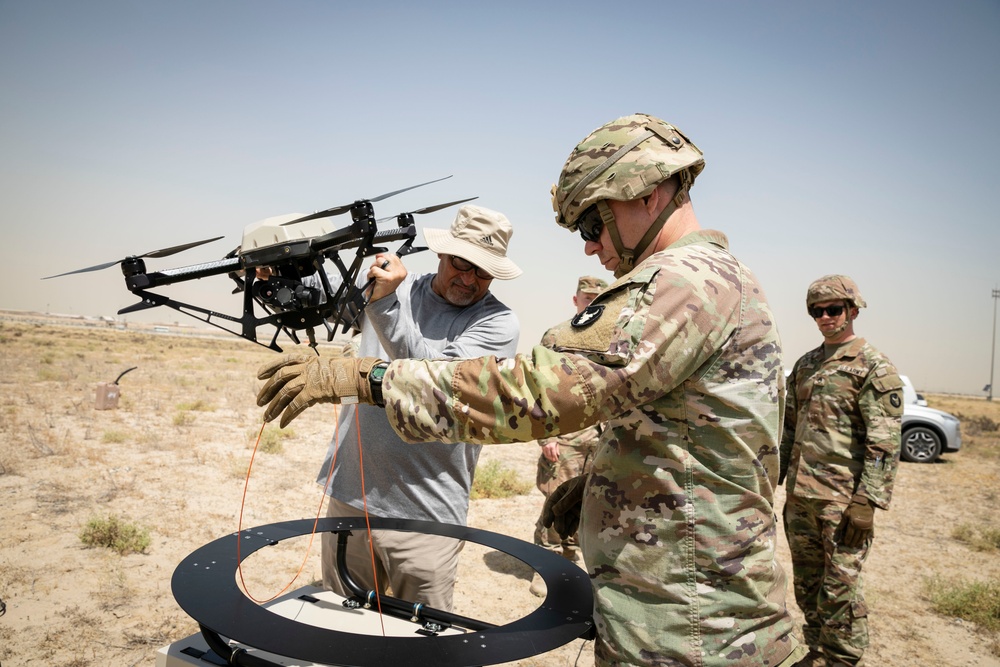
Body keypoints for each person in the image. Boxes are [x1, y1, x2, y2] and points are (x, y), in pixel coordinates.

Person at [257, 113, 806, 667]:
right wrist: (605, 486)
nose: (591, 248)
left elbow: (540, 391)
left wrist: (364, 380)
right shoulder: (706, 279)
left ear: (649, 191)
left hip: (693, 624)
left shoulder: (684, 282)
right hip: (684, 606)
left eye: (593, 223)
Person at [313, 204, 522, 612]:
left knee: (421, 644)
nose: (469, 278)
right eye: (463, 262)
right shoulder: (395, 287)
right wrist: (282, 277)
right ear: (442, 254)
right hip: (350, 496)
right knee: (339, 633)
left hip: (425, 518)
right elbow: (329, 299)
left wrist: (386, 302)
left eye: (483, 270)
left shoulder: (498, 324)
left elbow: (429, 379)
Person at [779, 275, 903, 667]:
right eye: (817, 311)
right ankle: (817, 652)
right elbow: (787, 429)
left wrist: (867, 500)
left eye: (834, 309)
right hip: (801, 500)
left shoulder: (874, 367)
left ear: (853, 311)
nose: (825, 317)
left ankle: (843, 659)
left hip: (843, 502)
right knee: (809, 584)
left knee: (841, 588)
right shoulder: (807, 364)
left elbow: (884, 442)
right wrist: (771, 479)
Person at [528, 275, 607, 597]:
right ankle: (544, 566)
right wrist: (546, 438)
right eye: (586, 298)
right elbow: (536, 390)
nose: (592, 304)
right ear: (576, 301)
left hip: (600, 439)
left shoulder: (612, 338)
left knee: (588, 504)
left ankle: (571, 559)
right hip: (565, 439)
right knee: (555, 499)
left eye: (597, 299)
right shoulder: (559, 337)